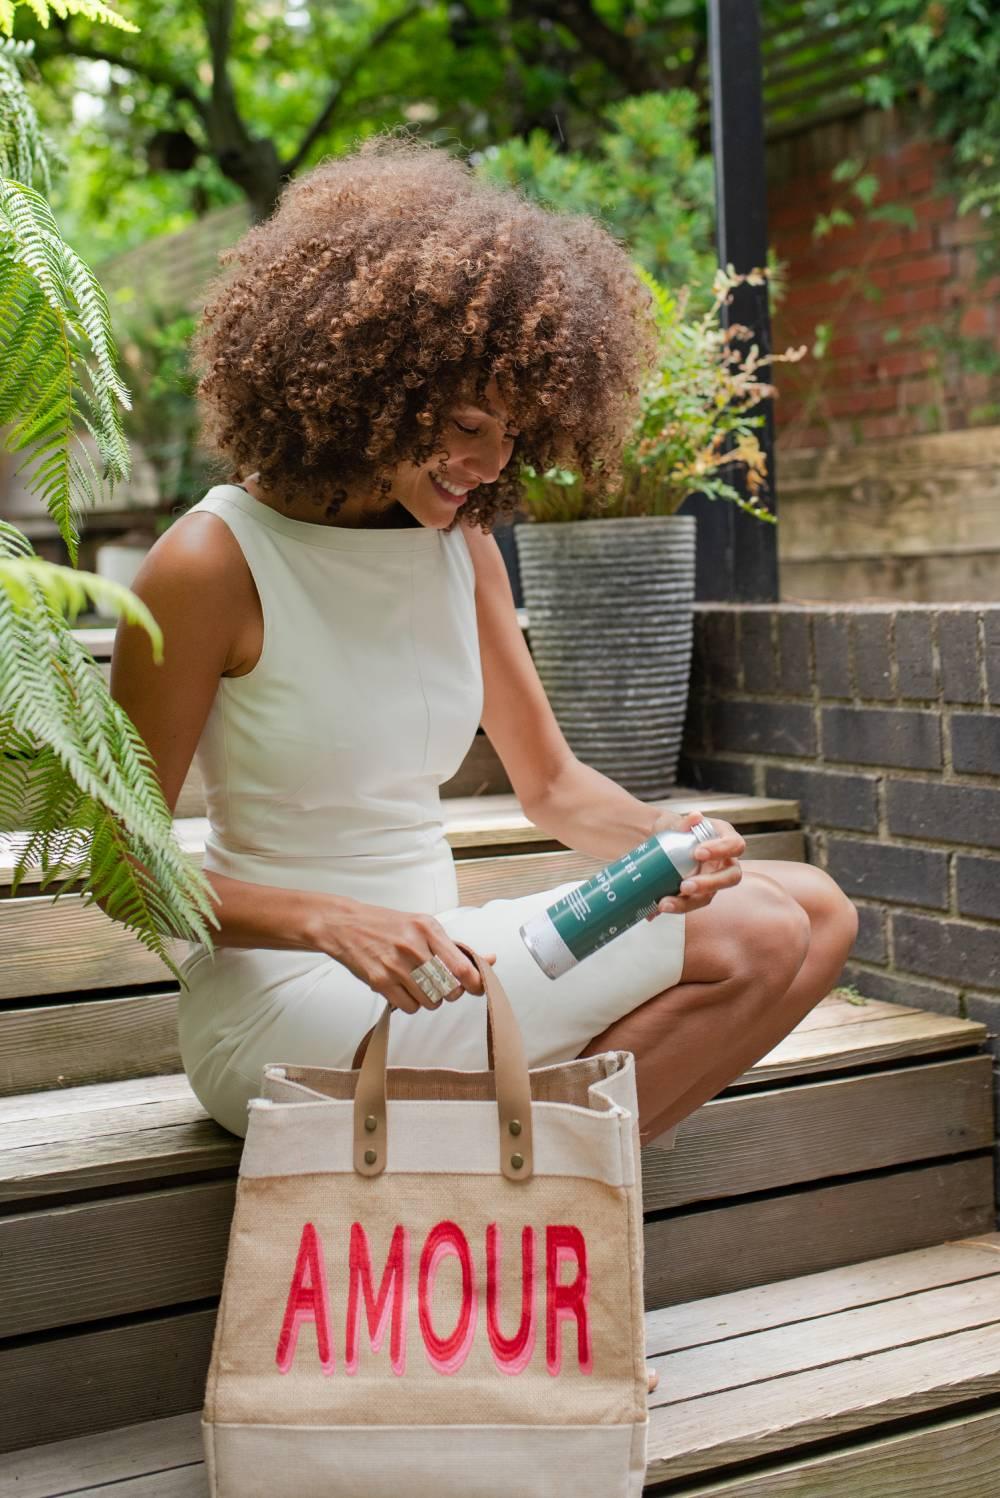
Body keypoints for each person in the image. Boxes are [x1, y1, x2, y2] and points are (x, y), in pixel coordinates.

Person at [111, 134, 857, 1147]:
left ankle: (512, 1188)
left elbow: (550, 788)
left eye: (515, 434)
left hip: (447, 967)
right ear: (367, 379)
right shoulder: (208, 562)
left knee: (813, 905)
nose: (488, 463)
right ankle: (520, 1214)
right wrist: (327, 919)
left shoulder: (458, 548)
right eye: (465, 424)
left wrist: (666, 846)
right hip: (286, 994)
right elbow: (124, 862)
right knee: (765, 929)